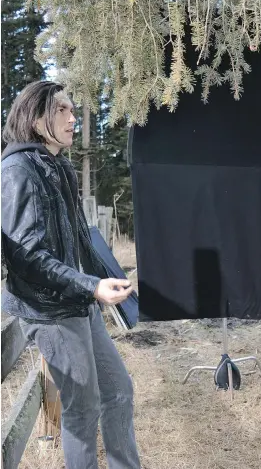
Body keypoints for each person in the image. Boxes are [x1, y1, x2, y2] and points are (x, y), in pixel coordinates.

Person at [1, 81, 141, 469]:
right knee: (82, 410)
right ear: (37, 116)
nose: (72, 117)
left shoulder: (57, 164)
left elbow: (78, 238)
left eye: (72, 110)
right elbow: (26, 257)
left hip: (78, 302)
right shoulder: (16, 171)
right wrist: (92, 286)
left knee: (119, 392)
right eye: (62, 110)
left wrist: (107, 278)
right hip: (49, 310)